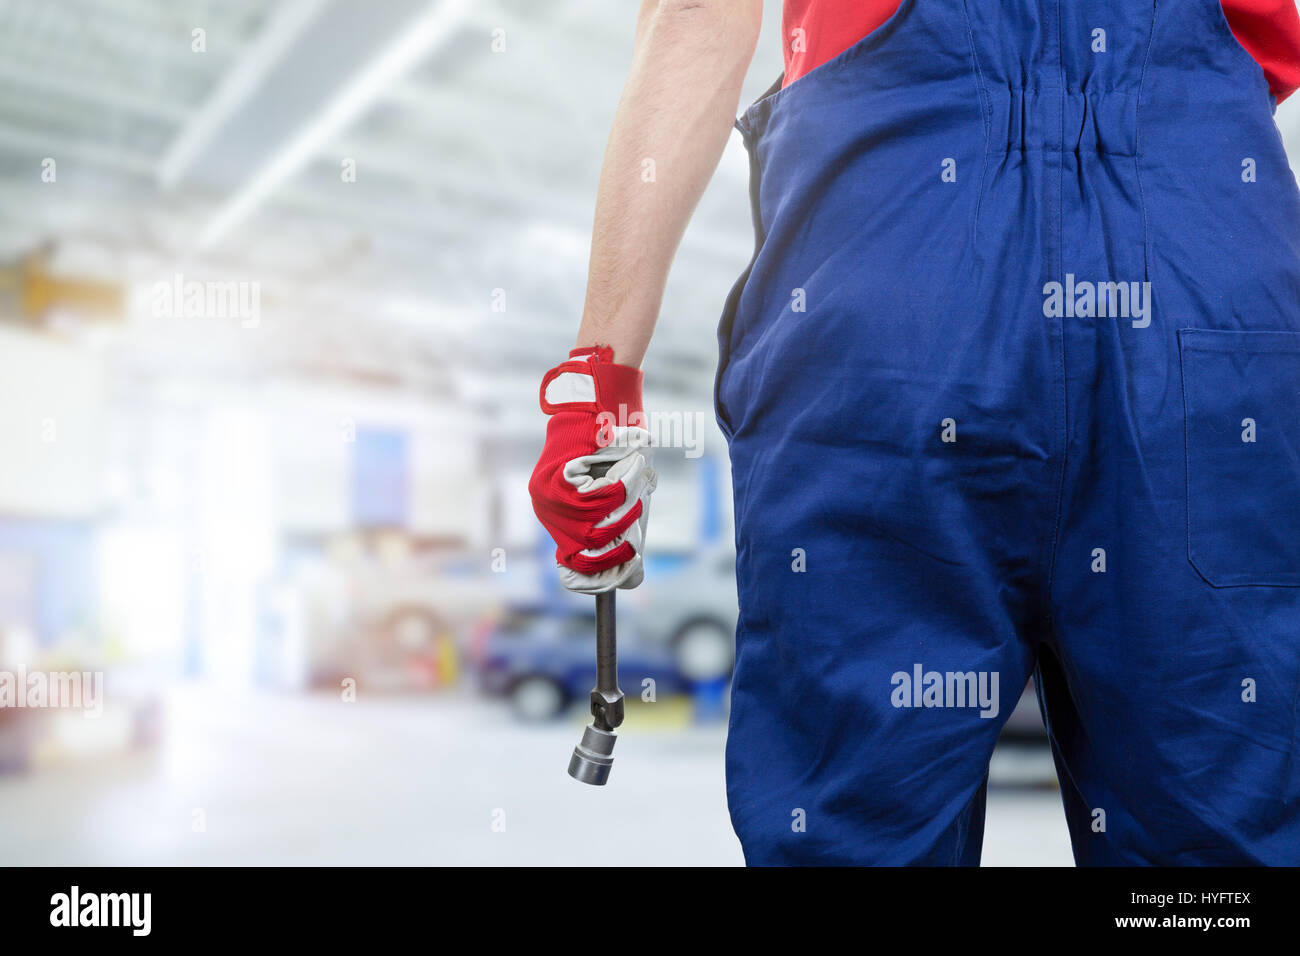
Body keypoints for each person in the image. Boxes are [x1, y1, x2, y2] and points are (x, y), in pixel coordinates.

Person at [528, 0, 1300, 865]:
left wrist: (602, 370)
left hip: (887, 281)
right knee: (1213, 864)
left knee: (860, 832)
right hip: (1203, 275)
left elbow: (700, 12)